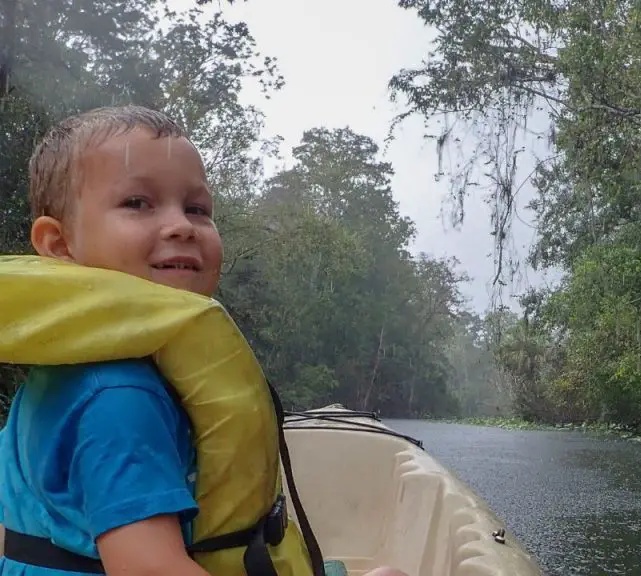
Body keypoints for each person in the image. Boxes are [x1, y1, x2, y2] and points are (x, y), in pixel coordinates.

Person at [0, 105, 407, 576]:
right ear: (58, 244)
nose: (181, 225)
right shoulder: (118, 398)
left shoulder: (80, 370)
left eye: (196, 209)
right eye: (138, 203)